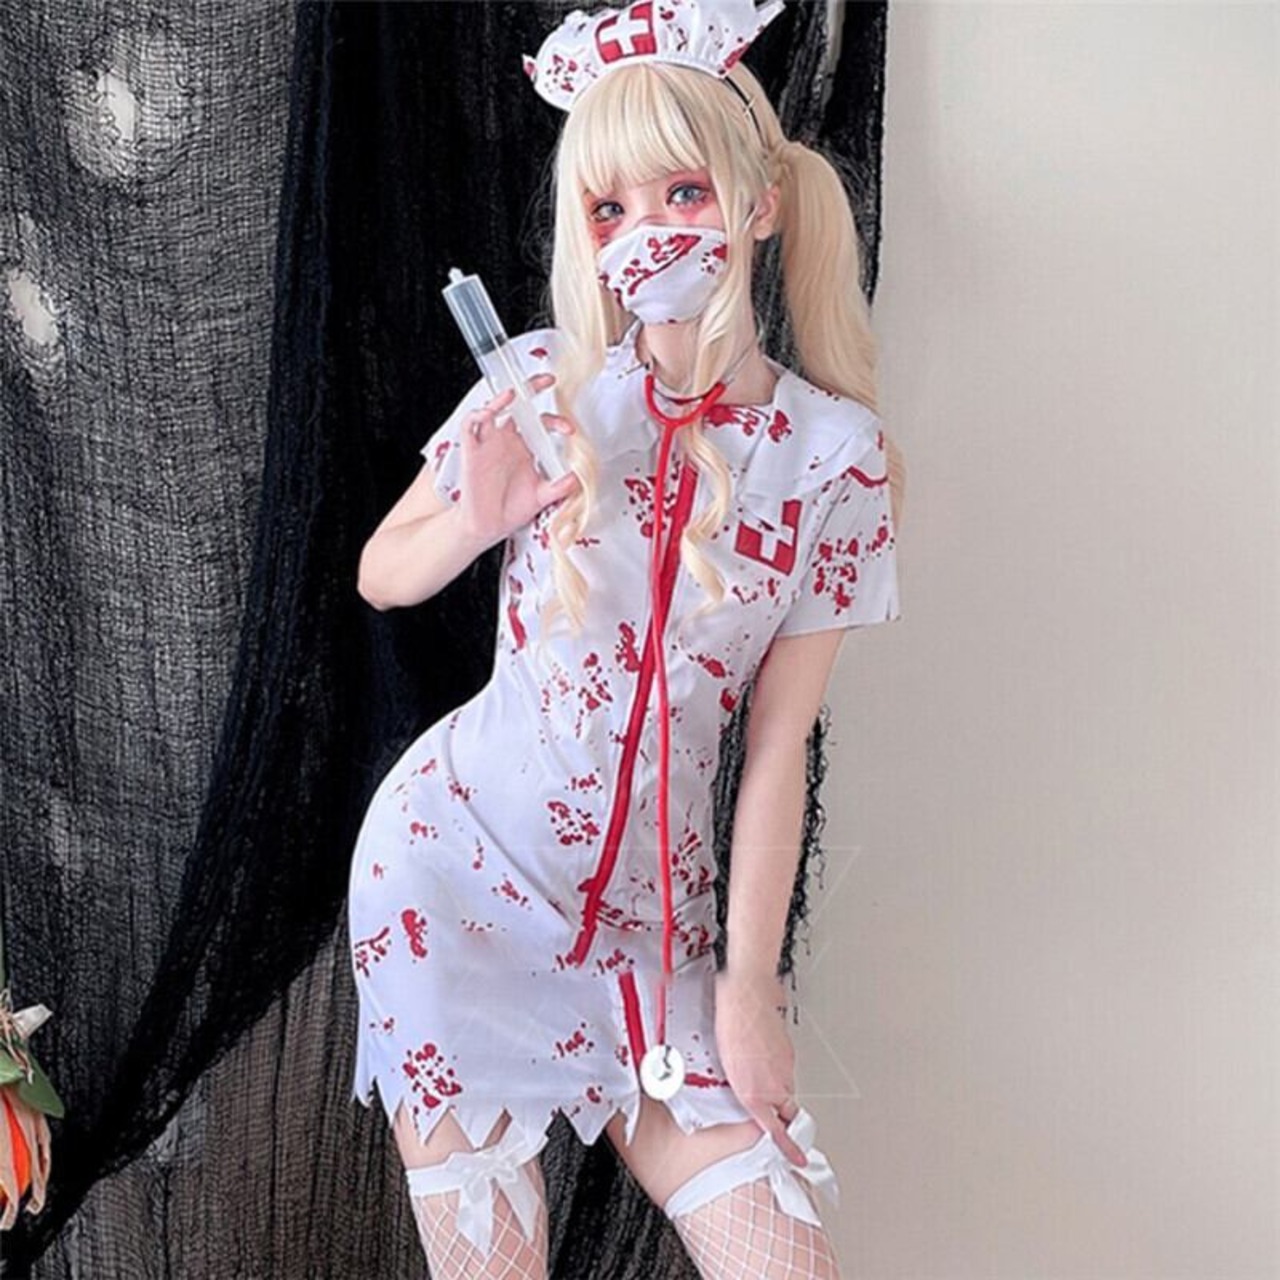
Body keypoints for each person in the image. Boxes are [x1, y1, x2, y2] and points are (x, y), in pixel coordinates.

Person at [347, 1, 904, 1275]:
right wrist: (471, 521)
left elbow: (778, 744)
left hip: (662, 939)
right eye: (609, 209)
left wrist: (748, 985)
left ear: (757, 204)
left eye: (681, 192)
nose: (647, 230)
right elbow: (381, 573)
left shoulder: (836, 460)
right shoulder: (545, 388)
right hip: (455, 880)